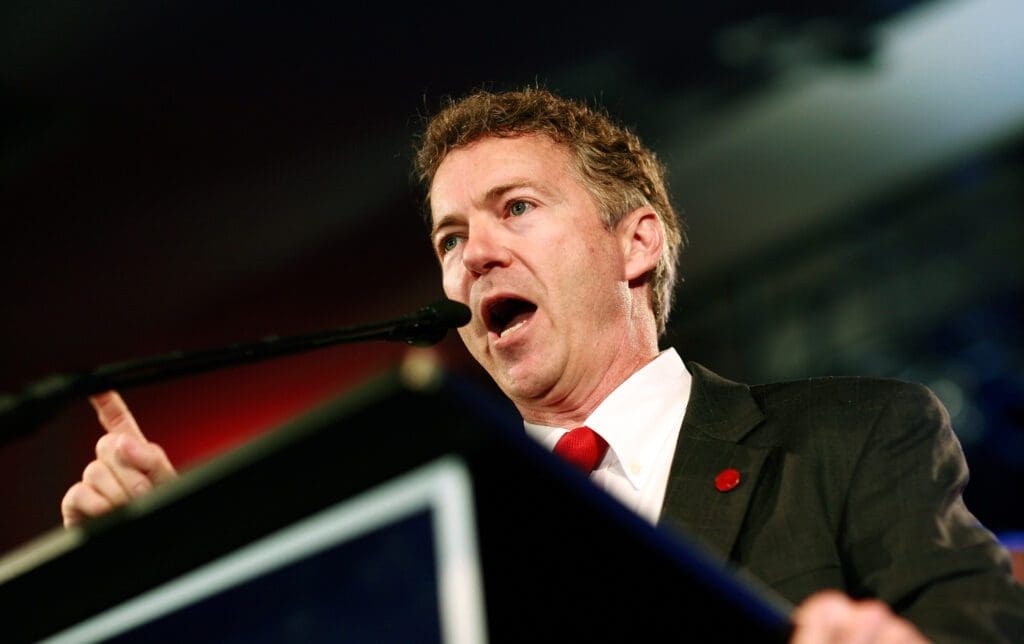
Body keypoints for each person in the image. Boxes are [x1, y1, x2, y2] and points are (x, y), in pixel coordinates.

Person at [61, 88, 1024, 642]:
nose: (473, 255)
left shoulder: (851, 435)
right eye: (449, 237)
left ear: (635, 242)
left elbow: (981, 625)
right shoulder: (430, 530)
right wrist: (183, 558)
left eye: (516, 208)